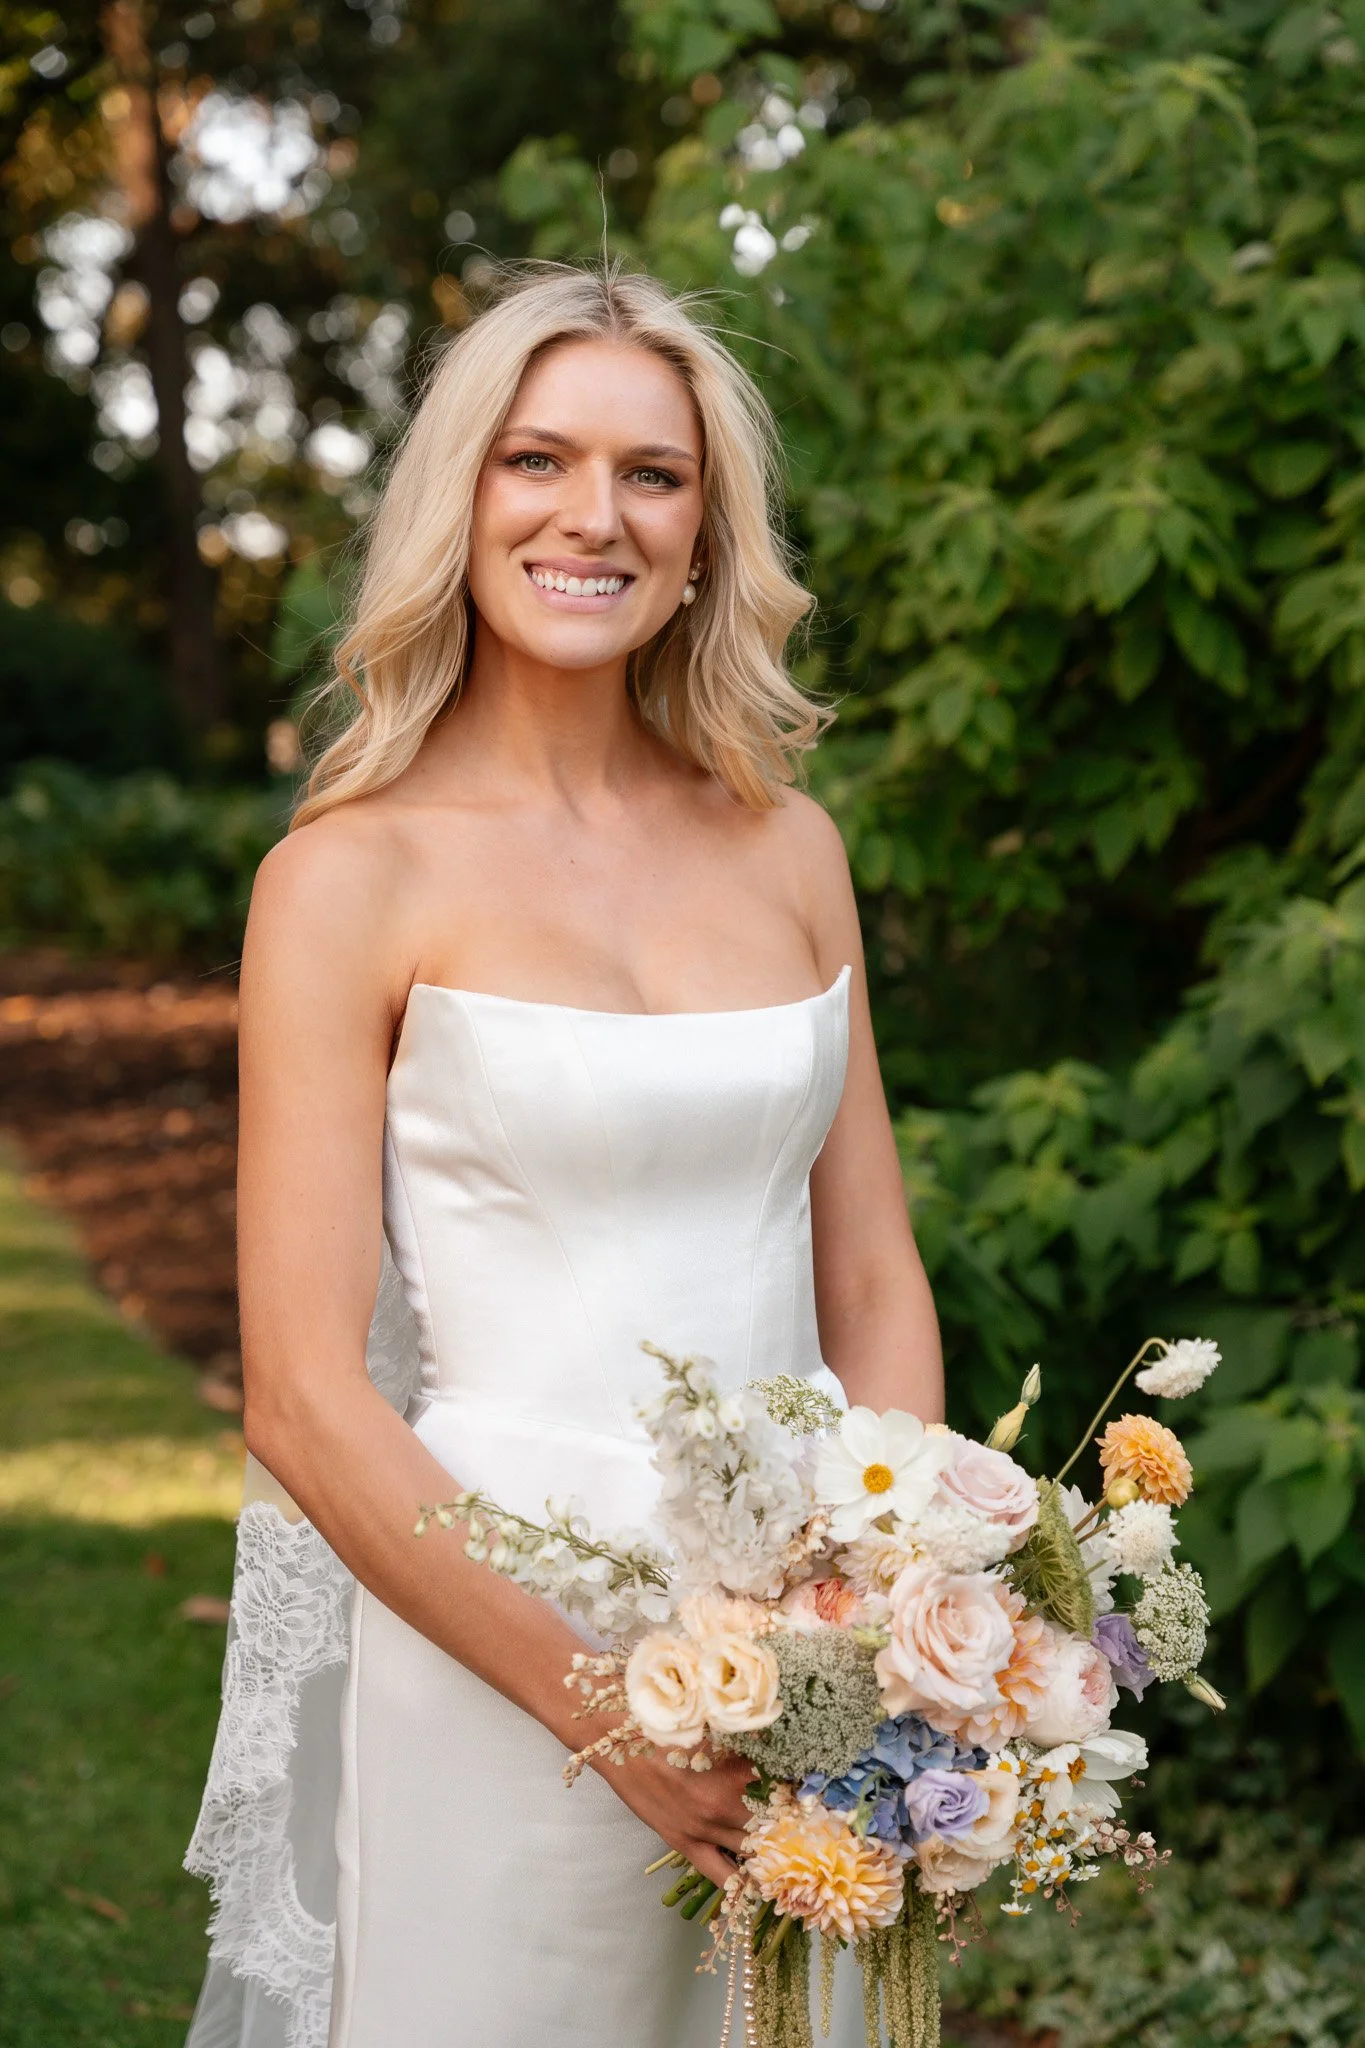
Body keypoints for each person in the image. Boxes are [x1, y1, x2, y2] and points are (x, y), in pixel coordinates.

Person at [184, 263, 944, 2048]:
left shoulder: (789, 850)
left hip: (797, 1646)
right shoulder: (345, 881)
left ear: (706, 531)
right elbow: (302, 1395)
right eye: (538, 459)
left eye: (653, 475)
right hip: (490, 1629)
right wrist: (604, 1709)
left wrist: (882, 1614)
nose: (592, 515)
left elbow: (873, 1277)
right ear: (463, 498)